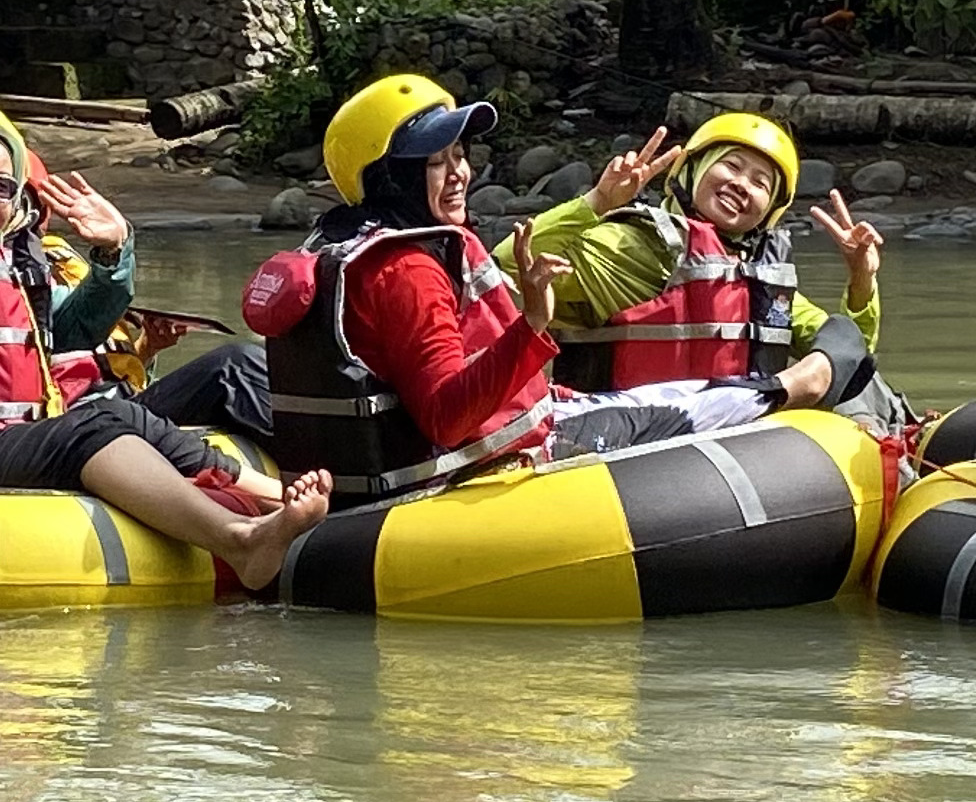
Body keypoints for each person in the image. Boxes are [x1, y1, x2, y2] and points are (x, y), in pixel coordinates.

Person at [0, 106, 329, 590]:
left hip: (1, 445)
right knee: (92, 425)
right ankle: (239, 539)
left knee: (118, 412)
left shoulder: (11, 263)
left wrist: (113, 253)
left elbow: (74, 330)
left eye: (4, 186)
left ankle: (276, 501)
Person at [251, 75, 708, 512]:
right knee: (710, 408)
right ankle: (780, 388)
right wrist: (531, 325)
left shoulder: (341, 242)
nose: (458, 175)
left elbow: (508, 259)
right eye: (434, 162)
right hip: (481, 464)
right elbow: (446, 418)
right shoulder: (408, 270)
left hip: (433, 451)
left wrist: (599, 202)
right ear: (392, 177)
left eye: (459, 155)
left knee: (687, 398)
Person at [524, 110, 903, 435]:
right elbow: (509, 271)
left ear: (769, 209)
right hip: (623, 435)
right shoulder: (630, 245)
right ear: (692, 171)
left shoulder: (762, 281)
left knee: (867, 385)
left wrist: (861, 281)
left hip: (729, 446)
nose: (742, 184)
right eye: (732, 165)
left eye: (760, 183)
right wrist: (597, 202)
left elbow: (851, 356)